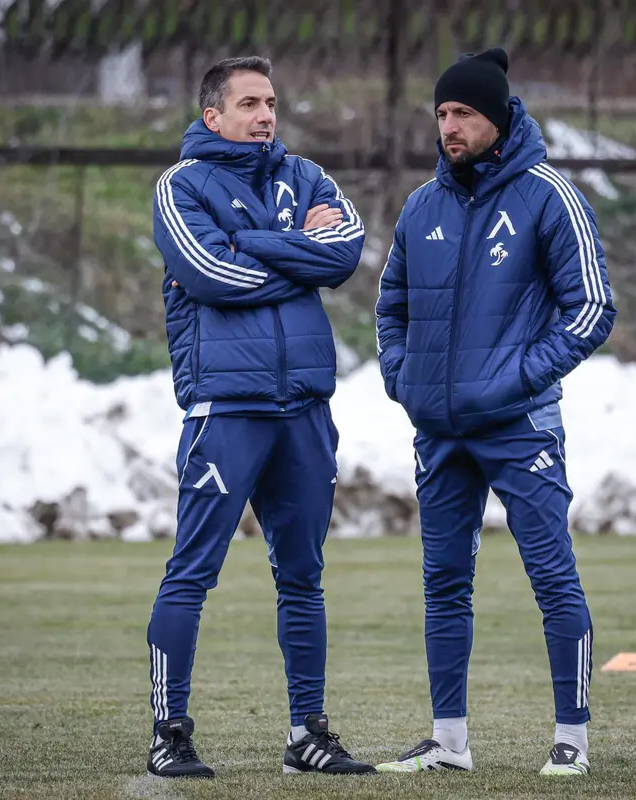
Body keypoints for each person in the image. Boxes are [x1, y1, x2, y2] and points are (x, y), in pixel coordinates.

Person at [373, 47, 617, 777]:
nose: (449, 126)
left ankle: (572, 740)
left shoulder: (549, 196)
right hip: (440, 432)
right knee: (444, 585)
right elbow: (390, 308)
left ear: (499, 119)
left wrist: (518, 378)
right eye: (442, 113)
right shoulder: (422, 206)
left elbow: (592, 308)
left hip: (519, 427)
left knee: (552, 578)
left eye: (463, 113)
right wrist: (405, 380)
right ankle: (449, 742)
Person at [145, 55, 375, 778]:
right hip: (226, 409)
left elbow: (343, 254)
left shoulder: (306, 176)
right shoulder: (181, 186)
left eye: (271, 102)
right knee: (192, 573)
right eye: (248, 103)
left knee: (303, 576)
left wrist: (252, 242)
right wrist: (294, 251)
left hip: (304, 408)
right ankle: (169, 733)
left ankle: (308, 734)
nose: (265, 115)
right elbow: (212, 275)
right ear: (212, 115)